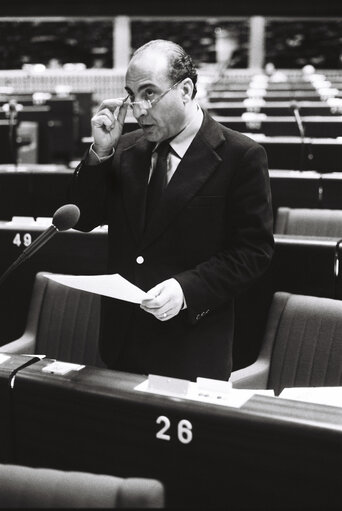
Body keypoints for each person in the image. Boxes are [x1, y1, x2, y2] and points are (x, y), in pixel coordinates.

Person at [70, 39, 274, 381]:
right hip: (121, 343)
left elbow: (253, 252)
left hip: (190, 348)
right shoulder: (123, 149)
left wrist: (186, 290)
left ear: (186, 90)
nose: (139, 108)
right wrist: (100, 153)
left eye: (150, 93)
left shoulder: (242, 156)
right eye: (132, 94)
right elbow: (83, 217)